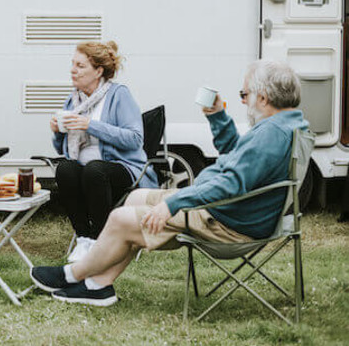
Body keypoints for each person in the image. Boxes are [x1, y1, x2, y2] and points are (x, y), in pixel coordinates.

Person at [31, 60, 310, 306]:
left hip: (228, 222)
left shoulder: (271, 134)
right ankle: (98, 286)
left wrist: (174, 204)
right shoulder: (286, 125)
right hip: (233, 211)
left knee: (120, 219)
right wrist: (217, 116)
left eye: (244, 94)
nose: (242, 101)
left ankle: (72, 275)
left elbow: (232, 183)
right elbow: (235, 155)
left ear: (263, 98)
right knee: (135, 198)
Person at [50, 41, 156, 263]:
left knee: (94, 171)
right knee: (65, 169)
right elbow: (63, 149)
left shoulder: (118, 95)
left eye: (80, 65)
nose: (73, 70)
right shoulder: (74, 99)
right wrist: (58, 131)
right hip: (86, 168)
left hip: (123, 167)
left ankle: (102, 242)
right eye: (72, 64)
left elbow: (135, 139)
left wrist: (90, 125)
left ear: (98, 71)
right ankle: (84, 239)